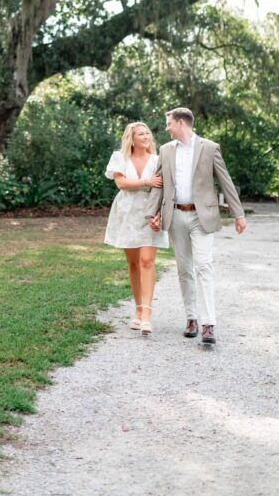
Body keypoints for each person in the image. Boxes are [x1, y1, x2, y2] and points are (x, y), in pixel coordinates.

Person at [146, 107, 245, 345]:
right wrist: (152, 212)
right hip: (175, 215)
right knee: (184, 269)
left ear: (181, 123)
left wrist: (238, 213)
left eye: (169, 123)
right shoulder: (166, 150)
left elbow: (225, 181)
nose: (166, 127)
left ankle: (208, 324)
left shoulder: (209, 148)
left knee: (204, 266)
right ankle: (191, 318)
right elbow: (159, 183)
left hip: (202, 217)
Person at [104, 122, 167, 335]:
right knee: (132, 263)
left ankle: (147, 315)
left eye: (148, 133)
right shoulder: (119, 157)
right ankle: (138, 310)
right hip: (127, 213)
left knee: (147, 261)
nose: (146, 136)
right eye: (141, 133)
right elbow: (121, 183)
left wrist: (159, 214)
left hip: (150, 213)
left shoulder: (159, 160)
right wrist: (146, 181)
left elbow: (165, 189)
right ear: (132, 138)